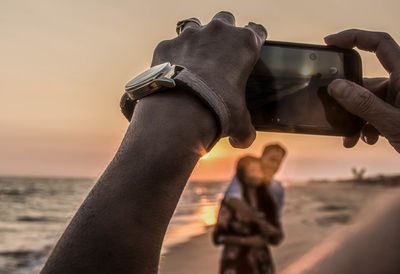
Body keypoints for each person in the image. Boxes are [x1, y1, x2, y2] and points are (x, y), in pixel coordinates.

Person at [40, 10, 400, 273]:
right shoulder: (240, 189)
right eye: (269, 161)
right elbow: (227, 233)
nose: (270, 166)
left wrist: (180, 101)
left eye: (276, 161)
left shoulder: (273, 193)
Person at [214, 156, 283, 274]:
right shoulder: (230, 202)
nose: (256, 174)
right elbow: (218, 237)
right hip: (235, 263)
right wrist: (247, 241)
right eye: (251, 170)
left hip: (262, 262)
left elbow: (277, 238)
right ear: (242, 174)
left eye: (259, 170)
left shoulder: (267, 202)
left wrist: (271, 231)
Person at [224, 143, 286, 222]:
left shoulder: (278, 188)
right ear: (261, 158)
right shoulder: (244, 176)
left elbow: (276, 217)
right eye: (272, 159)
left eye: (279, 162)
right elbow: (232, 199)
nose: (274, 165)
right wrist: (262, 224)